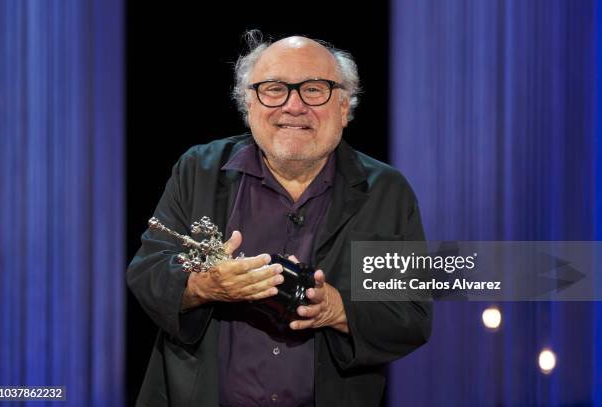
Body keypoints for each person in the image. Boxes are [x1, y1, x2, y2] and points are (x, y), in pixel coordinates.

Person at [127, 30, 432, 407]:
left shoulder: (386, 190)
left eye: (314, 89)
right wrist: (204, 285)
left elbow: (410, 316)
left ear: (343, 106)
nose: (293, 106)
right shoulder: (199, 169)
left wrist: (339, 310)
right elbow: (147, 275)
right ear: (249, 103)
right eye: (274, 89)